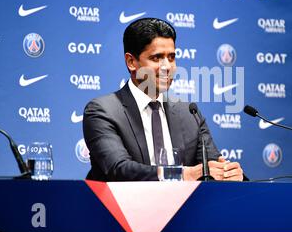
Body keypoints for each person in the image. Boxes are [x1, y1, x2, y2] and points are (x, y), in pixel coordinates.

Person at [83, 17, 244, 181]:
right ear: (131, 62)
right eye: (156, 58)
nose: (167, 67)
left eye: (172, 57)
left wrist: (228, 173)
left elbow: (211, 166)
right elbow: (118, 169)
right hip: (123, 206)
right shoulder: (103, 111)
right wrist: (181, 175)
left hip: (185, 206)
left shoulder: (189, 113)